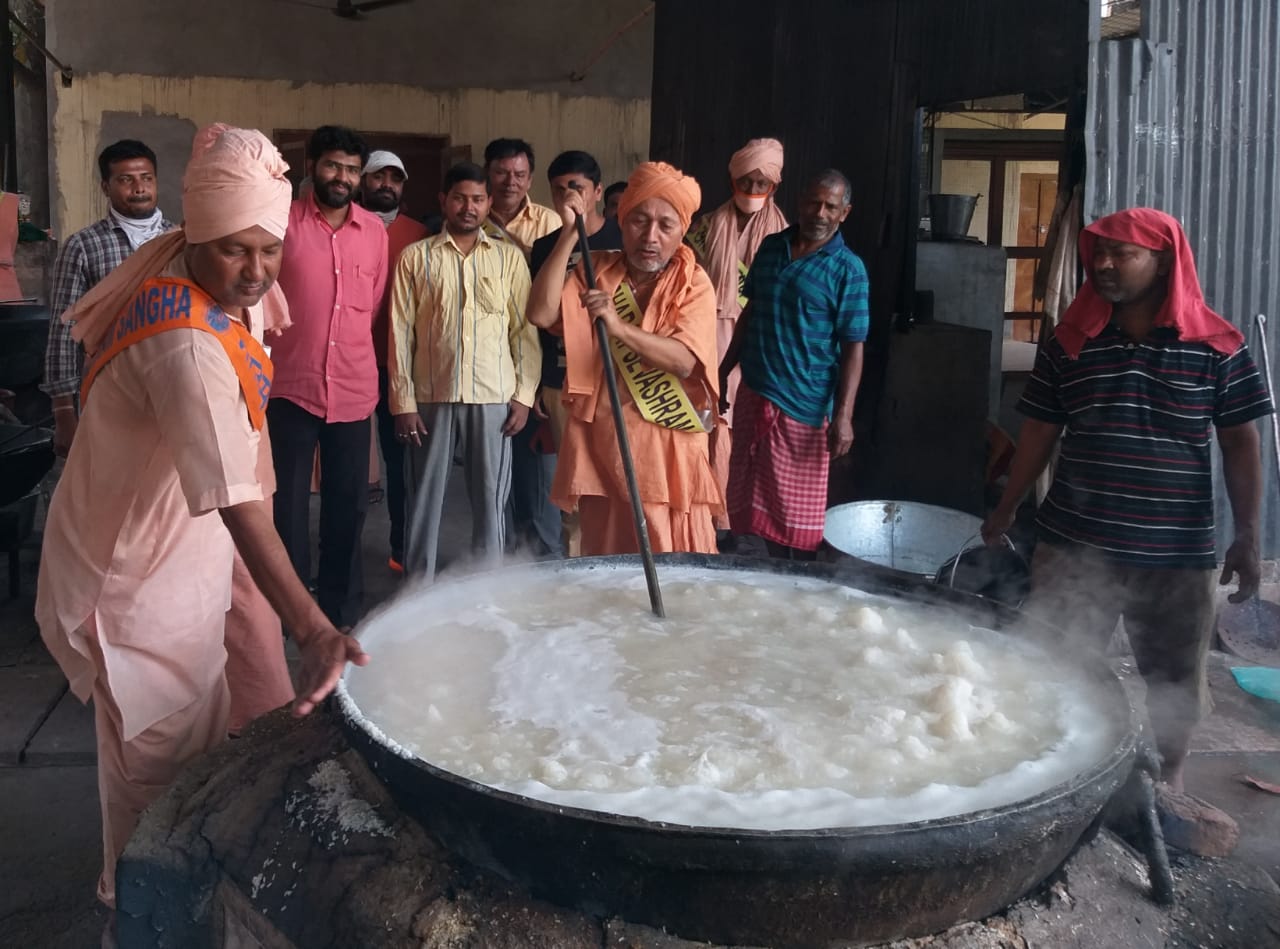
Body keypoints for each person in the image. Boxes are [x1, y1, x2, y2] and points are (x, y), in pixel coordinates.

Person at [35, 124, 368, 915]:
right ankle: (140, 914)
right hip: (135, 579)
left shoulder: (218, 282)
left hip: (196, 549)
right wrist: (314, 624)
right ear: (198, 237)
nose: (256, 272)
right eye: (235, 251)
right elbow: (231, 493)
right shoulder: (182, 340)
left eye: (269, 249)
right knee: (158, 777)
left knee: (239, 730)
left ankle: (206, 888)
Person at [982, 207, 1272, 793]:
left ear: (1163, 263)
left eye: (1124, 254)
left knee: (1175, 678)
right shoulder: (1070, 343)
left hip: (1178, 554)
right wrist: (1007, 506)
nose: (1105, 265)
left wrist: (1247, 535)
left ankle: (1171, 781)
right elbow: (1039, 428)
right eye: (1100, 253)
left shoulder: (1217, 346)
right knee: (1052, 663)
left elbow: (1241, 443)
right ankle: (1051, 775)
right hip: (1073, 544)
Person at [527, 161, 723, 556]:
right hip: (606, 442)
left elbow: (685, 361)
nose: (650, 236)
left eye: (665, 225)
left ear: (682, 231)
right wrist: (569, 232)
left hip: (667, 444)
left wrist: (618, 328)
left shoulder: (694, 282)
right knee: (609, 556)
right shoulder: (596, 269)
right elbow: (542, 314)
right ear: (621, 219)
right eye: (638, 221)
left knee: (671, 553)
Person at [388, 162, 539, 580]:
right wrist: (403, 403)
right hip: (431, 395)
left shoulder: (508, 259)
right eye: (459, 198)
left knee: (491, 500)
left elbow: (524, 332)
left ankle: (485, 587)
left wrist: (523, 396)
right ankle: (417, 589)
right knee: (422, 500)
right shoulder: (415, 258)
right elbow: (400, 333)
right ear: (443, 201)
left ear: (489, 203)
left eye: (477, 199)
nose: (468, 208)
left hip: (493, 396)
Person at [270, 126, 388, 628]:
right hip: (288, 386)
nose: (342, 178)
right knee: (288, 509)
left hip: (353, 389)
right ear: (312, 165)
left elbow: (374, 301)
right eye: (333, 166)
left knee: (348, 507)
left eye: (352, 170)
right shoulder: (282, 224)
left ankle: (341, 609)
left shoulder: (374, 232)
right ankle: (291, 612)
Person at [720, 169, 869, 560]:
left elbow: (854, 347)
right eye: (813, 202)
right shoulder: (771, 248)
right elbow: (750, 313)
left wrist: (844, 416)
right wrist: (724, 370)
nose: (819, 212)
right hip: (755, 390)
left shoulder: (848, 269)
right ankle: (753, 575)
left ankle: (796, 580)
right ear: (800, 201)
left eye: (830, 206)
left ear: (844, 213)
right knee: (748, 495)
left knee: (795, 518)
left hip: (806, 405)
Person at [517, 150, 625, 558]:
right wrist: (568, 234)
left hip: (614, 383)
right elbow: (539, 317)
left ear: (597, 191)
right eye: (560, 190)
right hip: (563, 383)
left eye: (577, 188)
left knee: (618, 482)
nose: (568, 197)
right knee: (574, 490)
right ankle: (579, 570)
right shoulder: (546, 245)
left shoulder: (622, 239)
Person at [42, 140, 173, 458]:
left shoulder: (179, 240)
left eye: (147, 177)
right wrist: (63, 411)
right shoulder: (84, 246)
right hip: (108, 391)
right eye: (126, 179)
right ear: (106, 186)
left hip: (171, 389)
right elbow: (64, 328)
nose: (139, 188)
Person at [686, 137, 789, 542]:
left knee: (745, 431)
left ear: (774, 187)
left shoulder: (784, 236)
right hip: (707, 338)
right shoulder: (706, 227)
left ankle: (741, 520)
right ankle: (706, 514)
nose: (751, 192)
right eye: (745, 182)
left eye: (760, 184)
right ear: (732, 181)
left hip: (757, 344)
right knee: (707, 424)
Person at [359, 149, 428, 573]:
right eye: (378, 177)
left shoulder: (419, 234)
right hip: (349, 361)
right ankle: (341, 555)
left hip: (397, 368)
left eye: (395, 179)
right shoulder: (346, 225)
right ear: (364, 181)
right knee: (345, 465)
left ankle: (402, 548)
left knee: (402, 463)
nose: (387, 185)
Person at [481, 137, 560, 256]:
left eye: (519, 175)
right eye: (501, 173)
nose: (510, 182)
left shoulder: (549, 222)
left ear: (529, 181)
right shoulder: (471, 217)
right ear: (486, 174)